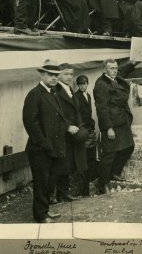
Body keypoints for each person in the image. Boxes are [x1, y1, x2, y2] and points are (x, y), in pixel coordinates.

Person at [22, 59, 75, 223]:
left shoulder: (53, 93)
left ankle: (45, 210)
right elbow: (30, 122)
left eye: (56, 75)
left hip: (54, 148)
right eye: (50, 75)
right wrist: (44, 144)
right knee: (41, 182)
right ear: (42, 75)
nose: (54, 78)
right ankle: (40, 216)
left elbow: (59, 118)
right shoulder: (34, 94)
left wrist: (67, 127)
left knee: (50, 181)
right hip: (40, 149)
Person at [93, 59, 137, 194]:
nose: (114, 70)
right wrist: (108, 128)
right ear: (105, 70)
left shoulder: (116, 78)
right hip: (111, 123)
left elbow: (122, 70)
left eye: (116, 68)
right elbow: (102, 109)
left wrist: (133, 63)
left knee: (128, 147)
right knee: (109, 154)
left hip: (122, 121)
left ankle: (114, 172)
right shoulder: (101, 85)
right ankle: (102, 184)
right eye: (111, 68)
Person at [50, 63, 87, 202]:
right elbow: (54, 113)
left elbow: (76, 111)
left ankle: (63, 193)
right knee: (60, 165)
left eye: (71, 74)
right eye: (66, 74)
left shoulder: (70, 89)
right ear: (58, 75)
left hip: (73, 132)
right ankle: (54, 195)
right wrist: (67, 126)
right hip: (62, 133)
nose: (69, 77)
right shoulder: (55, 91)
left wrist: (80, 125)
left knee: (68, 164)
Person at [73, 75, 98, 196]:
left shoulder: (88, 95)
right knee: (83, 160)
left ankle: (89, 186)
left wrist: (92, 125)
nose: (83, 86)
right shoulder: (76, 97)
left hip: (90, 129)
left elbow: (89, 113)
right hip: (83, 131)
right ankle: (83, 190)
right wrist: (83, 129)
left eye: (85, 83)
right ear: (78, 85)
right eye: (80, 84)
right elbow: (77, 115)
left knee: (91, 157)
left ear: (87, 84)